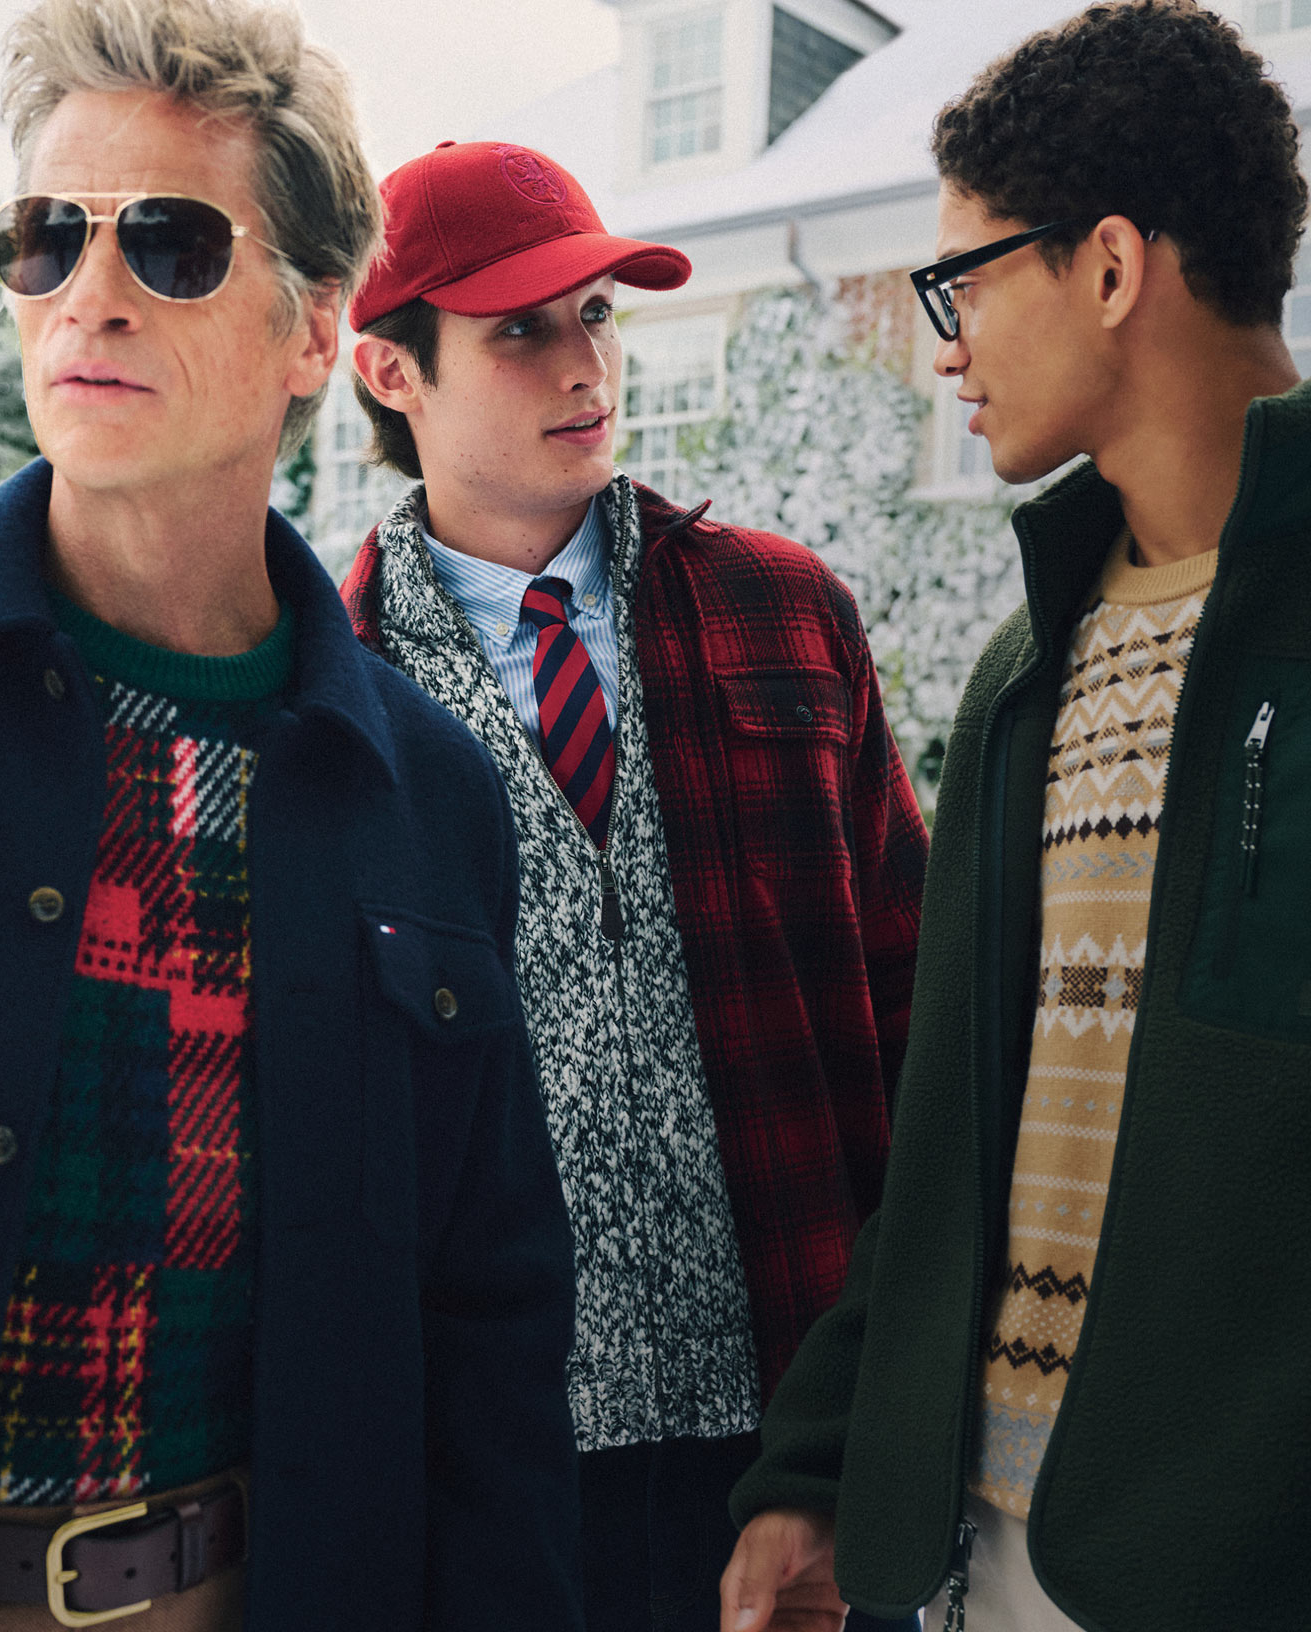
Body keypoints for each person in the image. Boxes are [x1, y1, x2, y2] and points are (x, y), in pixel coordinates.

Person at [0, 3, 582, 1629]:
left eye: (167, 241)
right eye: (45, 238)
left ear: (315, 333)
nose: (85, 292)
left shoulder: (428, 797)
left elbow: (490, 1323)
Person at [720, 2, 1311, 1629]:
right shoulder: (1019, 676)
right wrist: (816, 1469)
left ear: (1108, 268)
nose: (941, 344)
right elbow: (949, 1138)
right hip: (979, 1553)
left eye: (961, 281)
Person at [341, 139, 929, 1632]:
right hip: (486, 1460)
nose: (583, 362)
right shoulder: (329, 695)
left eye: (596, 313)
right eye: (519, 329)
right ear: (389, 373)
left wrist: (865, 1418)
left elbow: (917, 1006)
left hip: (788, 1437)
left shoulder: (782, 610)